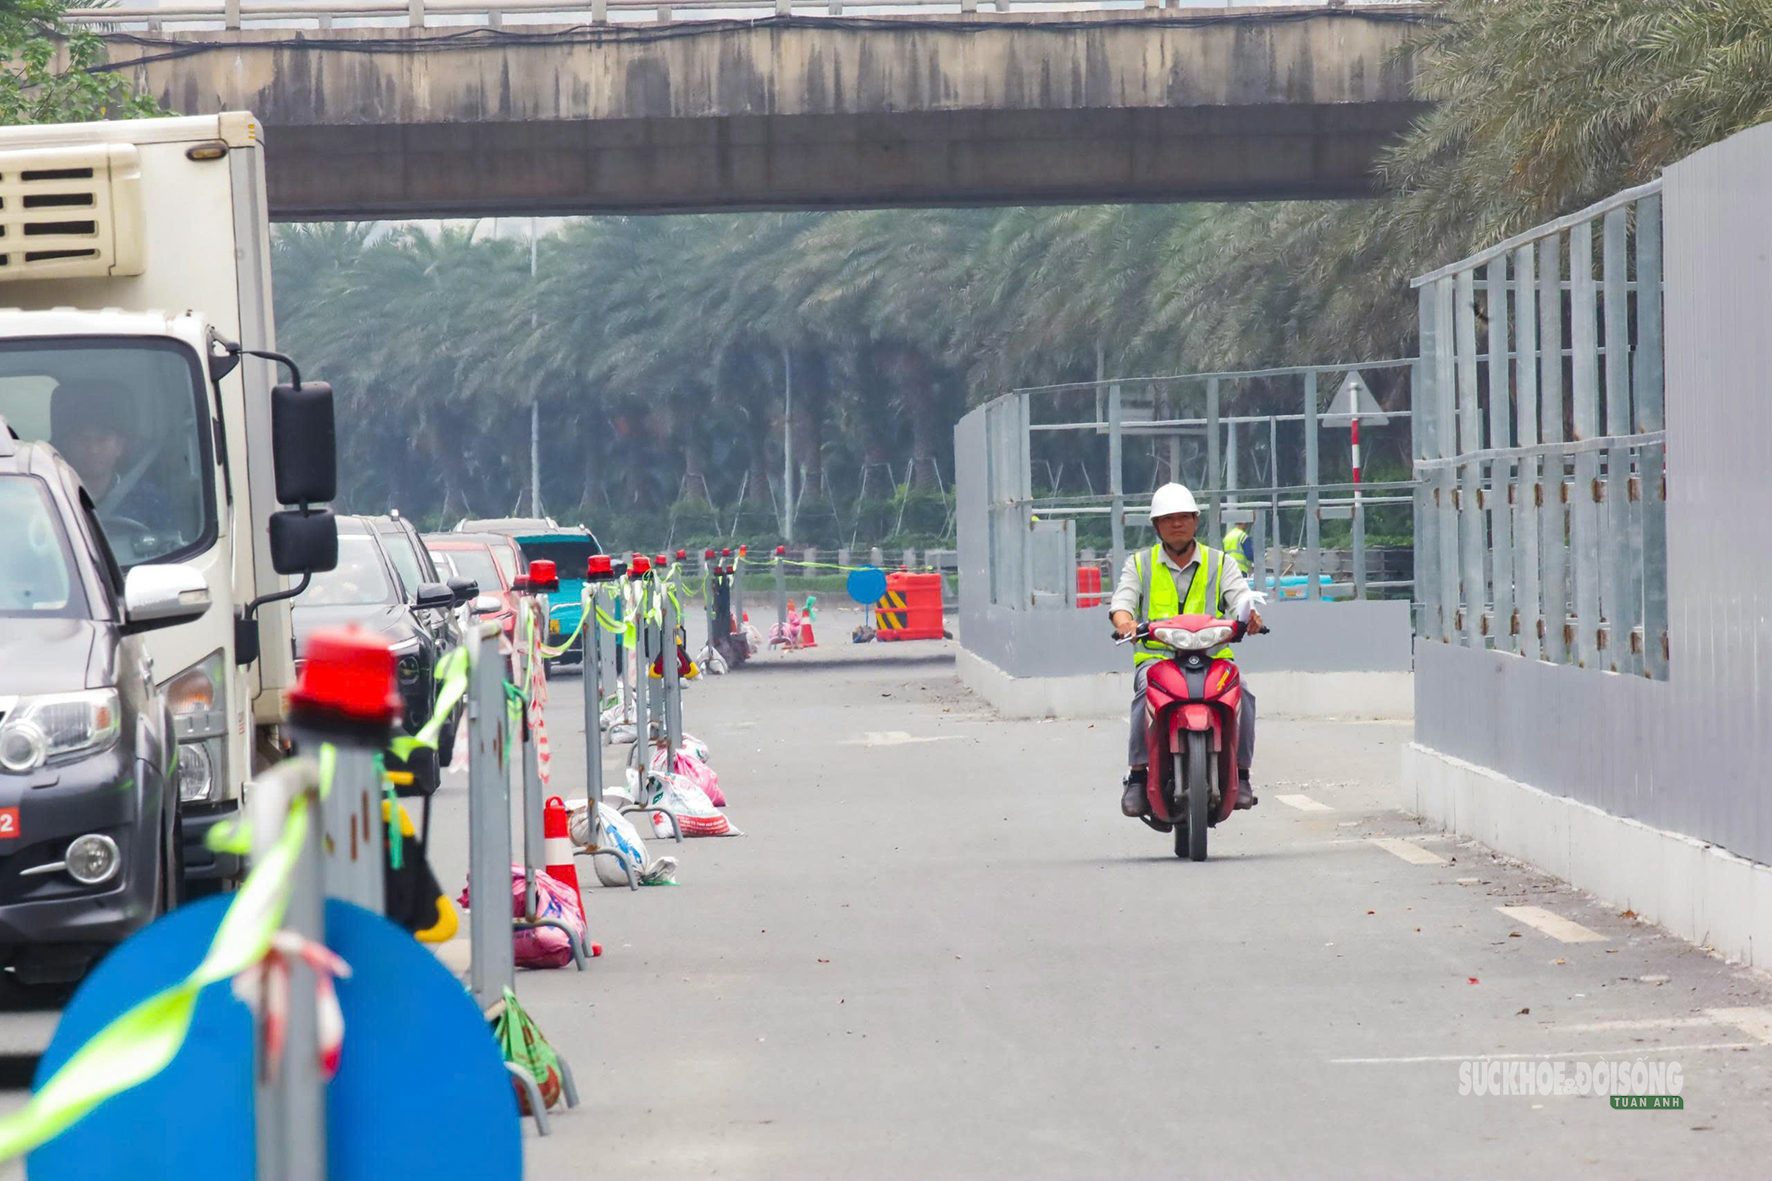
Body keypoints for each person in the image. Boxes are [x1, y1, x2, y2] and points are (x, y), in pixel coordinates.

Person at [1109, 482, 1263, 818]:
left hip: (1212, 658)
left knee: (1245, 694)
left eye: (1184, 517)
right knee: (1143, 694)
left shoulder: (1220, 562)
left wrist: (1249, 616)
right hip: (1158, 659)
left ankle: (1243, 774)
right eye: (1168, 518)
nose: (1177, 524)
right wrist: (1125, 623)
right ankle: (1137, 776)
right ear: (1156, 526)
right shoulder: (1139, 564)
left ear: (1196, 521)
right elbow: (1122, 603)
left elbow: (1240, 597)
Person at [51, 378, 173, 531]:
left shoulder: (150, 500)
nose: (93, 449)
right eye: (82, 439)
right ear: (67, 446)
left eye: (102, 439)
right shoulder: (49, 498)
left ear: (120, 447)